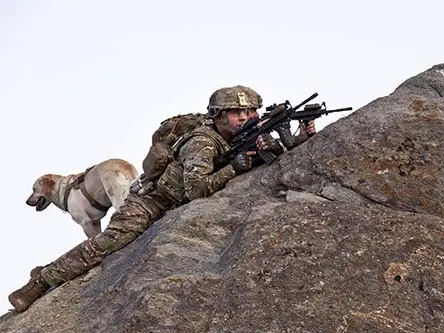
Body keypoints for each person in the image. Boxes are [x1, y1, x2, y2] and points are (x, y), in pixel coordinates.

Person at [8, 85, 280, 313]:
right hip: (152, 201)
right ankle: (42, 280)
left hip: (174, 205)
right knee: (105, 244)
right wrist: (234, 168)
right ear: (218, 116)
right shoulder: (202, 142)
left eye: (250, 111)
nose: (246, 117)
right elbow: (197, 189)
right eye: (237, 113)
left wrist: (299, 138)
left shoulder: (240, 133)